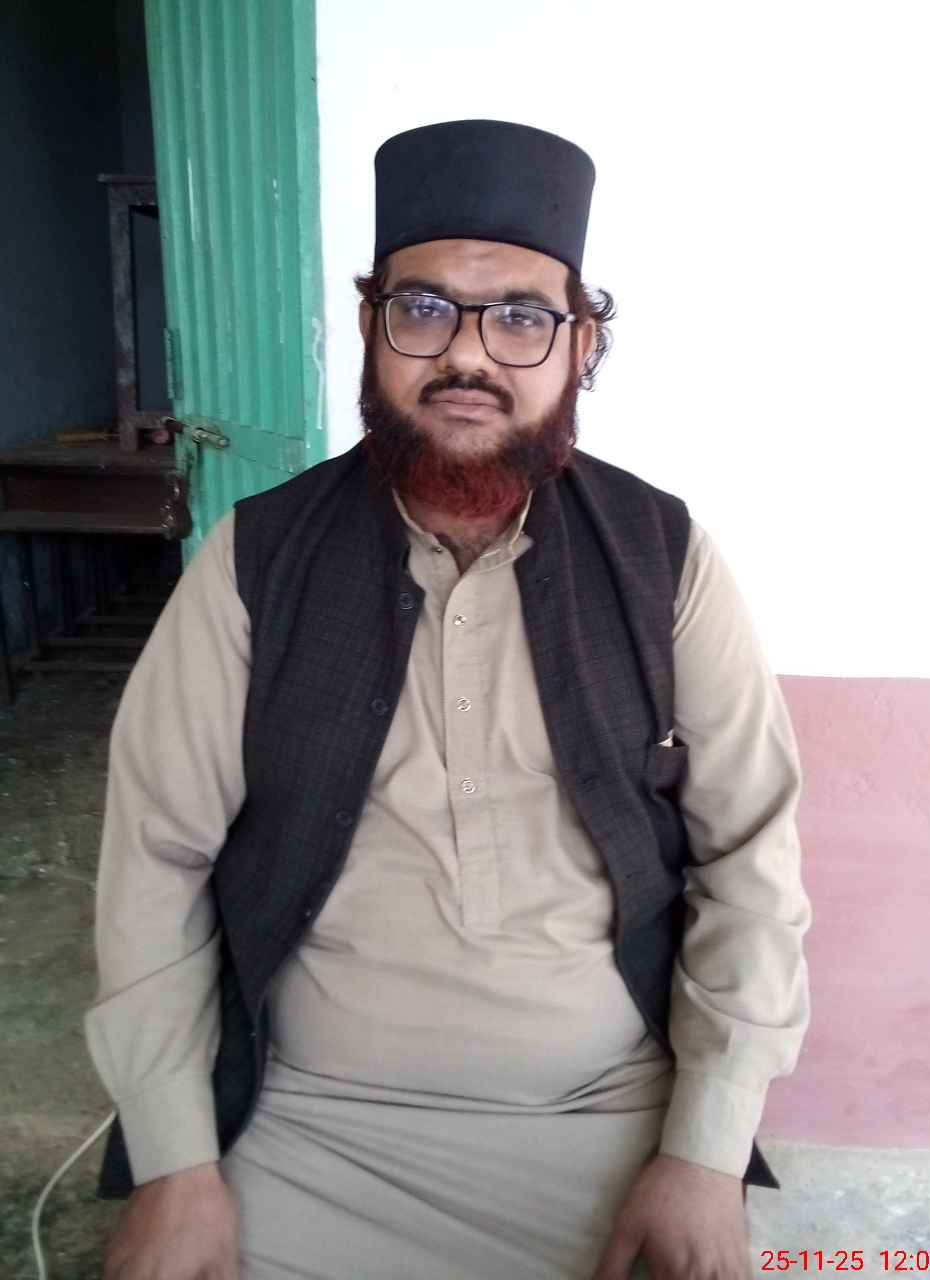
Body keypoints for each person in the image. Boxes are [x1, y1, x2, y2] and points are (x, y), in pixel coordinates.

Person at [85, 119, 811, 1280]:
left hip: (607, 1111)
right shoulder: (256, 559)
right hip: (301, 1118)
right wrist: (175, 1159)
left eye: (521, 316)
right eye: (424, 308)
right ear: (371, 327)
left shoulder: (662, 556)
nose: (468, 355)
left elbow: (750, 858)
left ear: (581, 344)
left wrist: (706, 1148)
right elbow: (155, 857)